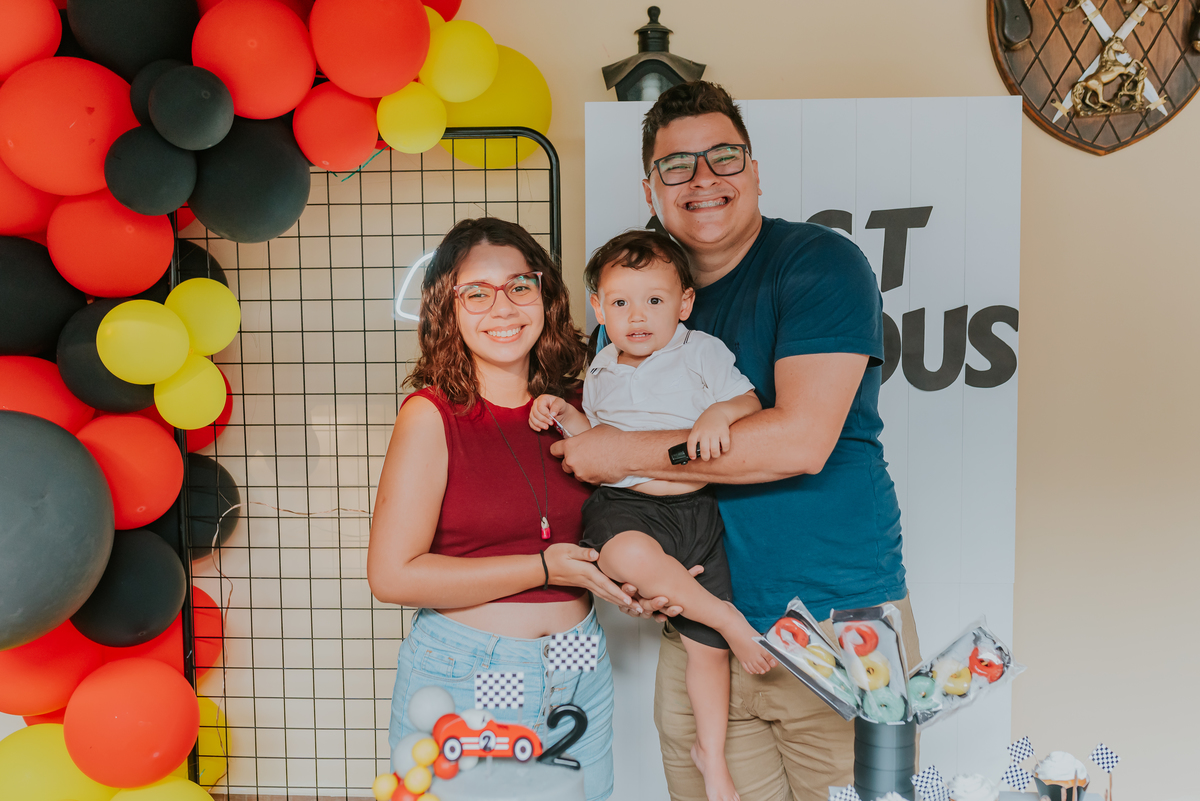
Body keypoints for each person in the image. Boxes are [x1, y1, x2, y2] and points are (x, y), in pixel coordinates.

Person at [552, 82, 921, 801]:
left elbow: (800, 441)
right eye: (677, 165)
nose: (704, 179)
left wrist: (616, 454)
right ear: (650, 188)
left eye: (723, 156)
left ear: (754, 169)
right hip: (702, 631)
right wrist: (642, 568)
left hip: (836, 620)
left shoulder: (819, 263)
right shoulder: (635, 308)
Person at [368, 217, 629, 801]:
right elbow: (391, 574)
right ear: (448, 311)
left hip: (579, 661)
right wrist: (542, 569)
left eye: (519, 285)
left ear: (545, 295)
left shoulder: (583, 405)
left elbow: (627, 511)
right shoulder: (432, 414)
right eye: (476, 294)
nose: (503, 307)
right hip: (468, 665)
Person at [530, 229, 769, 801]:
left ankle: (710, 758)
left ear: (684, 303)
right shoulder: (601, 364)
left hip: (692, 508)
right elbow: (595, 446)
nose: (638, 316)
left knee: (705, 651)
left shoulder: (701, 351)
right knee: (627, 555)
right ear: (599, 307)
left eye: (655, 301)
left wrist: (718, 414)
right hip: (627, 508)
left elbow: (751, 402)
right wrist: (563, 410)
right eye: (620, 303)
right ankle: (729, 617)